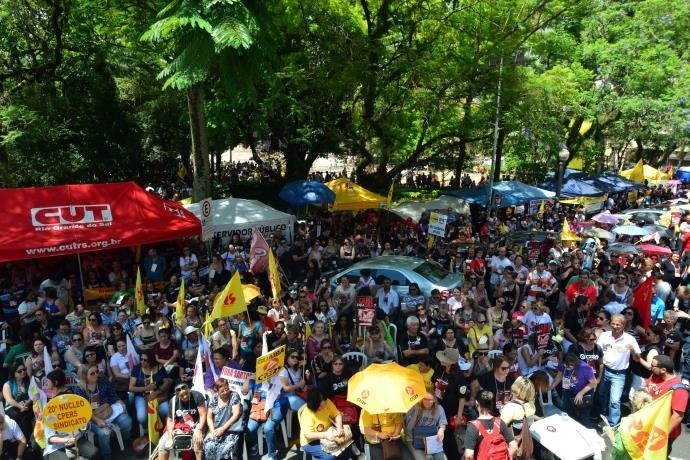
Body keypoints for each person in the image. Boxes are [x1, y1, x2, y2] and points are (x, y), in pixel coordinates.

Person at [73, 365, 133, 460]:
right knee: (104, 433)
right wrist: (97, 420)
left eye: (97, 371)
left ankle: (126, 439)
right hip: (91, 416)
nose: (96, 374)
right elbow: (83, 410)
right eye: (92, 373)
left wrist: (120, 403)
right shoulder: (79, 389)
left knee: (127, 420)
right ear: (85, 376)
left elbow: (113, 395)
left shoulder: (103, 380)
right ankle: (107, 454)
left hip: (108, 410)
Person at [596, 313, 641, 426]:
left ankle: (613, 424)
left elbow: (637, 359)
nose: (615, 326)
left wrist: (633, 351)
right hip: (605, 371)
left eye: (618, 324)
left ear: (623, 325)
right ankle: (600, 416)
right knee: (601, 395)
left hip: (619, 374)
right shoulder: (604, 335)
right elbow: (597, 351)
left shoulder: (630, 339)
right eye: (613, 323)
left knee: (615, 401)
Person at [645, 354, 689, 456]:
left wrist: (661, 435)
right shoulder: (655, 376)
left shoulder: (679, 389)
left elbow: (677, 416)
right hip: (650, 426)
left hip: (663, 432)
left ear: (663, 370)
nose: (650, 367)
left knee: (657, 456)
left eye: (653, 366)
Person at [299, 388, 354, 459]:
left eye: (324, 404)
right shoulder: (307, 413)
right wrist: (325, 435)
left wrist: (340, 428)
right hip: (311, 442)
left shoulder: (327, 402)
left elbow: (337, 414)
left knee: (347, 446)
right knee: (330, 457)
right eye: (320, 406)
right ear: (313, 404)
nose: (323, 407)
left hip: (329, 433)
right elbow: (308, 435)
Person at [157, 383, 207, 460]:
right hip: (180, 426)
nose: (185, 396)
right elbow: (170, 420)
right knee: (163, 442)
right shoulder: (173, 401)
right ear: (176, 395)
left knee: (198, 443)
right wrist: (170, 437)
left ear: (189, 390)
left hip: (197, 424)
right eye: (181, 395)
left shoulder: (197, 396)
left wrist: (199, 430)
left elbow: (203, 415)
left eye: (186, 393)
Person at [464, 390, 517, 460]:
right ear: (492, 404)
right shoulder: (500, 422)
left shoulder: (472, 427)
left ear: (477, 403)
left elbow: (469, 455)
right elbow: (514, 446)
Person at [203, 378, 245, 460]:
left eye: (227, 389)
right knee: (208, 445)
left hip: (231, 429)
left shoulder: (234, 396)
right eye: (222, 391)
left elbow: (236, 414)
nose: (225, 392)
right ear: (217, 391)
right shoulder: (214, 399)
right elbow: (209, 417)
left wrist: (223, 429)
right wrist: (212, 431)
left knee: (225, 449)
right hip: (216, 429)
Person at [551, 352, 596, 428]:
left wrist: (581, 393)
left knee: (583, 418)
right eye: (565, 365)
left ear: (575, 363)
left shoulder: (584, 367)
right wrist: (551, 387)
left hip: (584, 395)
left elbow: (593, 383)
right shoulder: (563, 364)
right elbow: (559, 375)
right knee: (566, 413)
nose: (566, 367)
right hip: (568, 391)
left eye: (569, 366)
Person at [404, 391, 448, 460]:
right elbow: (409, 427)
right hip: (414, 439)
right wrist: (414, 411)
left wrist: (441, 429)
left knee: (442, 458)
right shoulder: (416, 407)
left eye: (430, 400)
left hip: (431, 439)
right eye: (425, 399)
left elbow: (443, 423)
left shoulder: (439, 409)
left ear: (434, 400)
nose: (427, 402)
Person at [2, 362, 33, 440]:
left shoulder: (29, 382)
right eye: (20, 371)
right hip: (13, 409)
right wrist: (20, 406)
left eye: (24, 369)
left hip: (27, 406)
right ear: (14, 373)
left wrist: (27, 403)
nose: (23, 372)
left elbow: (33, 394)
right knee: (22, 418)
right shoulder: (8, 384)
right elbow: (9, 400)